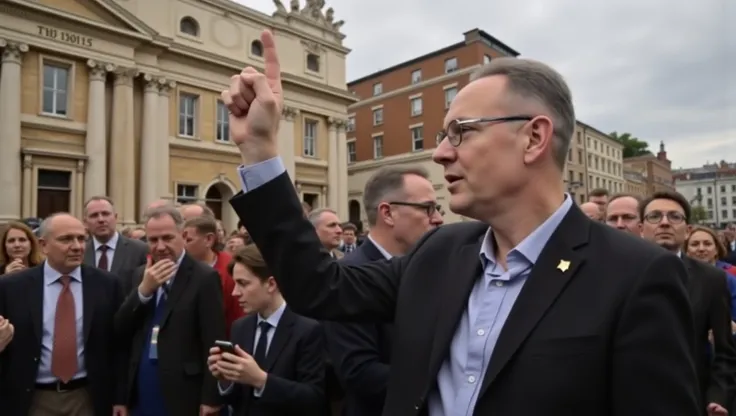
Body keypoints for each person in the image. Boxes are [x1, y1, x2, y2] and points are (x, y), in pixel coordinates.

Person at [221, 30, 700, 415]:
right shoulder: (439, 252)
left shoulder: (636, 275)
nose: (440, 152)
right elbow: (317, 287)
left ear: (534, 138)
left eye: (461, 132)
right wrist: (260, 150)